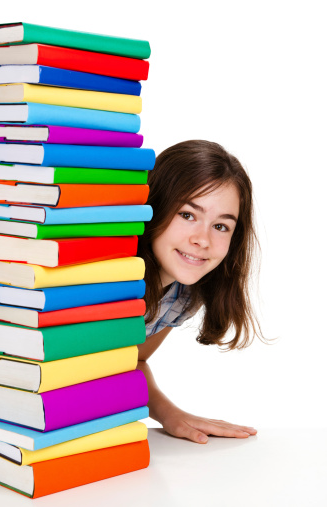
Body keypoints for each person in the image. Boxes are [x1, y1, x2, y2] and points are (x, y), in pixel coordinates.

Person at [137, 140, 263, 444]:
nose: (202, 240)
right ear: (155, 207)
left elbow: (132, 361)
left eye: (220, 227)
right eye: (188, 215)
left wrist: (169, 413)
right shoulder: (100, 277)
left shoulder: (183, 296)